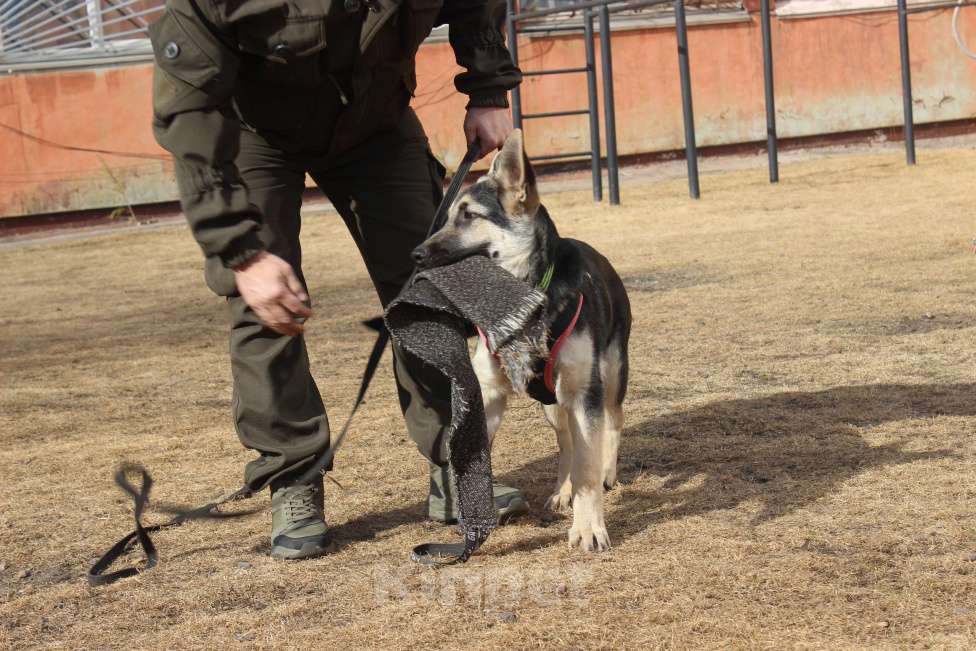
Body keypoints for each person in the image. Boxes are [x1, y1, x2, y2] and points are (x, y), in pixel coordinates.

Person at [149, 0, 526, 559]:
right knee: (267, 307)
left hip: (375, 122)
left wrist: (488, 88)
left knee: (433, 288)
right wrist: (243, 253)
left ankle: (458, 465)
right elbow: (189, 112)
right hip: (254, 129)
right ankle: (293, 477)